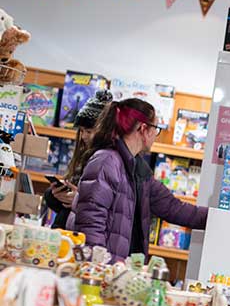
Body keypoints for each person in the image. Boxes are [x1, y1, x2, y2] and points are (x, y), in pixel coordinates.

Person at [69, 97, 207, 260]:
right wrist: (99, 268)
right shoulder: (106, 161)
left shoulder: (138, 170)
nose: (156, 135)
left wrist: (219, 218)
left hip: (120, 270)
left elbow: (173, 208)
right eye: (155, 128)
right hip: (102, 272)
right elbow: (91, 224)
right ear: (143, 129)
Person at [44, 90, 110, 230]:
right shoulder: (84, 156)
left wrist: (77, 199)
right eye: (81, 131)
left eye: (89, 131)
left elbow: (107, 209)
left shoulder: (108, 162)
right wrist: (56, 194)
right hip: (66, 232)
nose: (84, 136)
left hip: (83, 238)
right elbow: (67, 208)